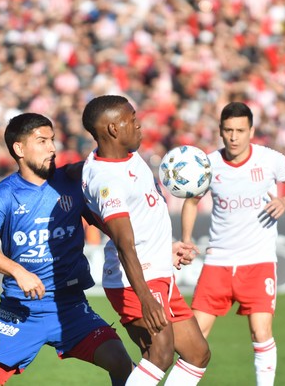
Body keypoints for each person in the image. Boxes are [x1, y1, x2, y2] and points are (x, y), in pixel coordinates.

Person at [0, 112, 133, 386]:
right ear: (19, 149)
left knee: (122, 363)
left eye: (53, 140)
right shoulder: (4, 194)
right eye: (42, 141)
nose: (53, 148)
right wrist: (19, 272)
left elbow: (115, 226)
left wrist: (162, 247)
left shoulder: (71, 183)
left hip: (70, 306)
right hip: (20, 311)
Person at [81, 95, 211, 385]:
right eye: (132, 120)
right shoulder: (108, 181)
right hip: (136, 281)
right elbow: (125, 245)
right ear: (113, 128)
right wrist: (146, 299)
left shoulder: (123, 155)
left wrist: (164, 249)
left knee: (197, 354)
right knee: (160, 355)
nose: (139, 125)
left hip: (157, 269)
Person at [181, 102, 285, 386]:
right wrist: (187, 240)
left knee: (261, 332)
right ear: (220, 131)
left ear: (251, 131)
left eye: (240, 130)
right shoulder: (208, 164)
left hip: (258, 260)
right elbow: (190, 202)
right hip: (218, 261)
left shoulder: (270, 159)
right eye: (228, 130)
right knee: (194, 338)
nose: (234, 137)